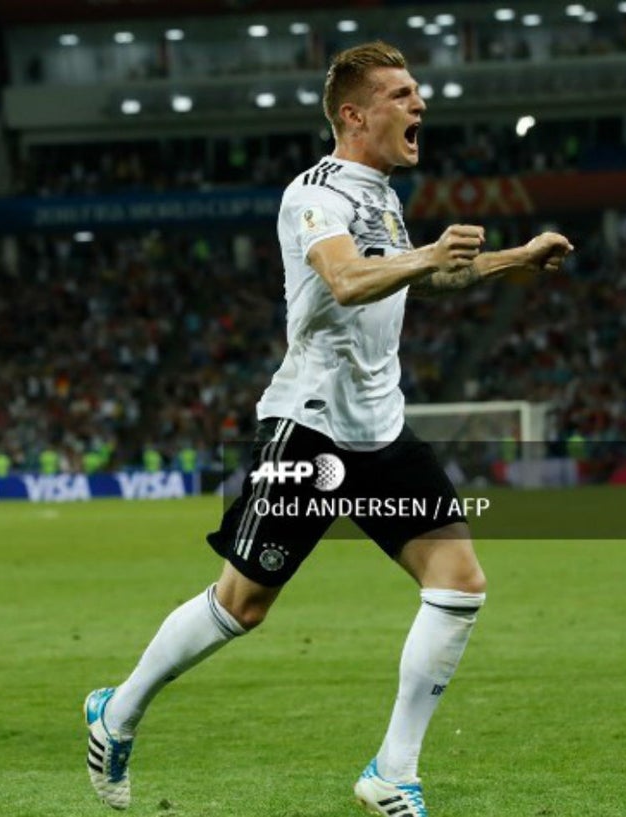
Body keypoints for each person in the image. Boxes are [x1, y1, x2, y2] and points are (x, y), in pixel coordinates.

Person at [83, 42, 572, 816]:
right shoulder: (312, 194)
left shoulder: (381, 194)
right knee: (242, 604)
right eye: (402, 95)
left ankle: (391, 772)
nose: (420, 106)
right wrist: (424, 253)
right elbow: (345, 280)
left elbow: (427, 274)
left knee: (459, 583)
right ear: (355, 113)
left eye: (418, 93)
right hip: (308, 429)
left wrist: (517, 257)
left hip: (382, 427)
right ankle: (117, 709)